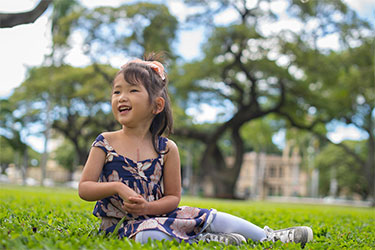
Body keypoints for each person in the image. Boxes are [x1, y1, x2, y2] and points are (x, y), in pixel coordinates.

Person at [78, 52, 313, 247]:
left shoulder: (167, 149)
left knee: (206, 215)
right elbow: (85, 188)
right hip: (121, 228)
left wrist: (149, 207)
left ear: (156, 105)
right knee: (148, 235)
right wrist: (118, 187)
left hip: (160, 215)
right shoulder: (104, 142)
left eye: (132, 90)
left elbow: (173, 198)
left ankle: (269, 237)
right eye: (117, 91)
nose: (121, 97)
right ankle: (205, 240)